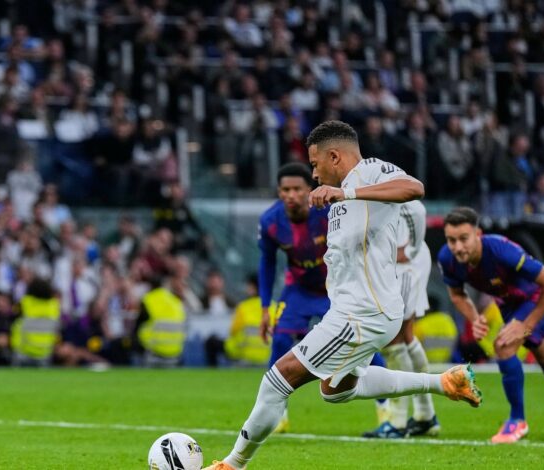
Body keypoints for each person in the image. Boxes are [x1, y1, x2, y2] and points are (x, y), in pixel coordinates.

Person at [204, 121, 481, 470]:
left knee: (277, 379)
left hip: (361, 314)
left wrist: (347, 194)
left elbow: (414, 188)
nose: (314, 174)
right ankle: (444, 382)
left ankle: (232, 464)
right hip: (357, 311)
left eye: (315, 164)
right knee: (336, 390)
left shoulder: (369, 172)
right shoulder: (338, 195)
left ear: (334, 156)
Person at [439, 207, 544, 444]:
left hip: (538, 297)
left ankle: (517, 420)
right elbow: (457, 295)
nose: (458, 247)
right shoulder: (447, 258)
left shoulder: (501, 251)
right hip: (510, 304)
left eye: (463, 238)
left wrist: (525, 325)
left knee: (503, 346)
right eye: (452, 240)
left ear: (478, 234)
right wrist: (475, 318)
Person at [257, 161, 392, 433]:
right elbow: (267, 263)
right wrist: (264, 307)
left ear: (309, 189)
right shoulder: (270, 222)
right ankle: (277, 414)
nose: (291, 195)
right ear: (279, 192)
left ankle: (386, 411)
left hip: (336, 288)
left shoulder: (329, 211)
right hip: (299, 289)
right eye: (285, 190)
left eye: (297, 189)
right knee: (280, 339)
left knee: (362, 345)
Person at [363, 199, 440, 439]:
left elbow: (415, 207)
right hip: (395, 264)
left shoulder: (374, 181)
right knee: (406, 337)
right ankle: (425, 416)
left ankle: (397, 422)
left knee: (392, 337)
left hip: (405, 265)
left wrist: (411, 248)